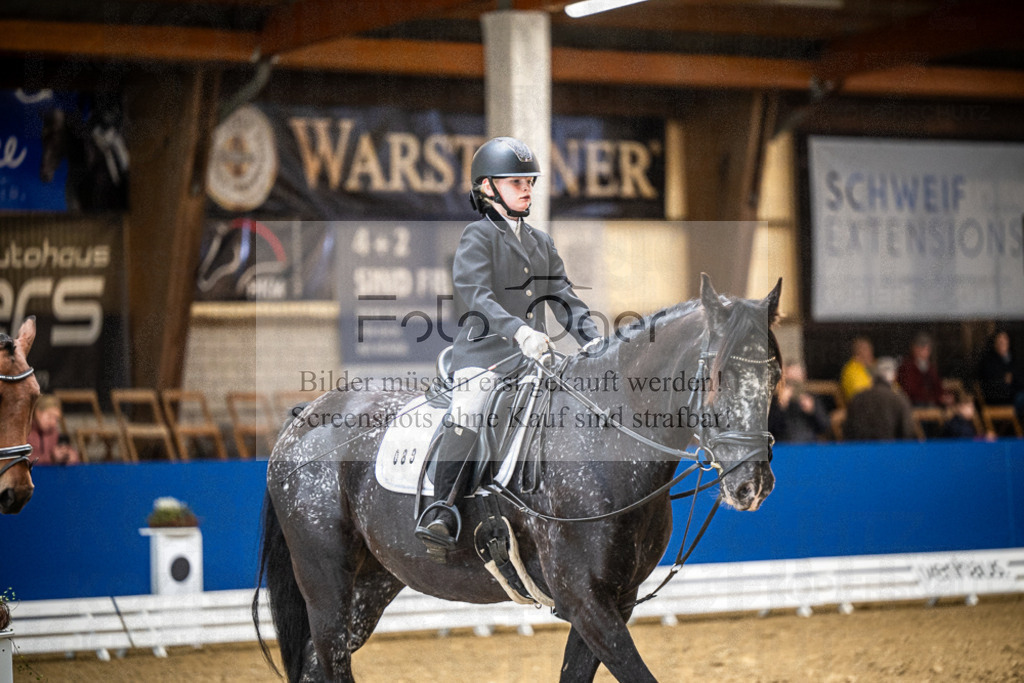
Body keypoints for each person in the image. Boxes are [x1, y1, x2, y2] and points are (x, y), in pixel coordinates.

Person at [415, 136, 599, 558]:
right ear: (487, 188)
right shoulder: (477, 237)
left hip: (534, 362)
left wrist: (595, 341)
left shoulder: (541, 242)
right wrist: (519, 331)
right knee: (472, 407)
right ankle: (441, 509)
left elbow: (565, 300)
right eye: (516, 182)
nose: (527, 189)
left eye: (529, 181)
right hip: (484, 357)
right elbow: (475, 297)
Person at [843, 357, 916, 441]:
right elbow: (907, 433)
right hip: (890, 451)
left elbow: (847, 432)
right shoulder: (899, 399)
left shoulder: (857, 398)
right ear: (895, 376)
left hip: (860, 451)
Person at [768, 361, 831, 442]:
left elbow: (825, 426)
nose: (793, 387)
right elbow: (769, 429)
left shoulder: (812, 398)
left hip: (809, 445)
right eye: (789, 381)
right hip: (784, 446)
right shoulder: (775, 400)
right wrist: (781, 406)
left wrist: (813, 411)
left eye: (796, 381)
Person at [976, 330, 1024, 420]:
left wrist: (1012, 379)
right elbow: (991, 385)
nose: (1002, 342)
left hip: (1015, 394)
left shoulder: (1014, 359)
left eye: (1004, 340)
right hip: (998, 398)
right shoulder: (988, 362)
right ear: (994, 343)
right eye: (999, 340)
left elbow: (1019, 379)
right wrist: (1008, 381)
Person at [897, 332, 953, 407]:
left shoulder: (930, 367)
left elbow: (937, 385)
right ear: (915, 349)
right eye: (923, 349)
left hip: (931, 403)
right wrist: (935, 397)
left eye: (927, 349)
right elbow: (910, 391)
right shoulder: (907, 366)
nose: (926, 352)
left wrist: (943, 395)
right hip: (914, 404)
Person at [28, 394, 81, 466]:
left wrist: (69, 457)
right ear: (38, 413)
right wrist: (51, 458)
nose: (53, 423)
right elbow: (24, 460)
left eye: (56, 419)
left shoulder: (54, 433)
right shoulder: (25, 433)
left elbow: (68, 453)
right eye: (50, 416)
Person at [840, 336, 875, 403]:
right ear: (857, 353)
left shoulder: (871, 368)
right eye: (867, 350)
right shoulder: (852, 370)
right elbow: (861, 397)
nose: (871, 354)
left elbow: (895, 390)